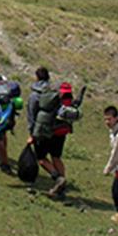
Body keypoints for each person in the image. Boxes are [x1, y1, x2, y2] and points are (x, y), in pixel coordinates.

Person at [26, 68, 82, 197]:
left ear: (36, 77)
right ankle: (62, 185)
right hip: (60, 131)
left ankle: (58, 178)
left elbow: (32, 115)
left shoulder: (36, 94)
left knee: (41, 158)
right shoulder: (55, 91)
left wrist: (32, 134)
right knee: (56, 156)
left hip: (45, 131)